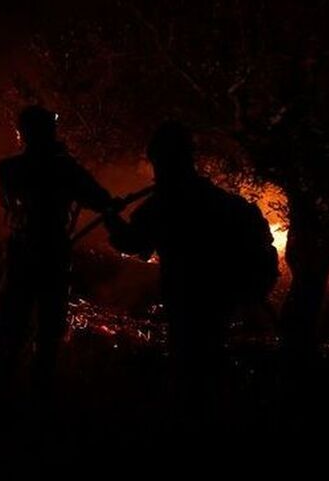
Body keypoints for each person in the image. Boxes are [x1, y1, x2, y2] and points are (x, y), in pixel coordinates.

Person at [104, 121, 277, 423]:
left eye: (157, 160)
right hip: (220, 301)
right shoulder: (220, 200)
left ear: (162, 159)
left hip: (187, 300)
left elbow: (132, 243)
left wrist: (110, 218)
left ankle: (191, 431)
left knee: (189, 373)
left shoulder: (163, 204)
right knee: (211, 368)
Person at [0, 105, 115, 403]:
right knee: (48, 327)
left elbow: (7, 205)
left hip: (22, 251)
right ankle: (38, 393)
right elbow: (100, 200)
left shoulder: (7, 168)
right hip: (52, 253)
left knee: (13, 322)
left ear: (22, 133)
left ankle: (2, 391)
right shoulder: (66, 168)